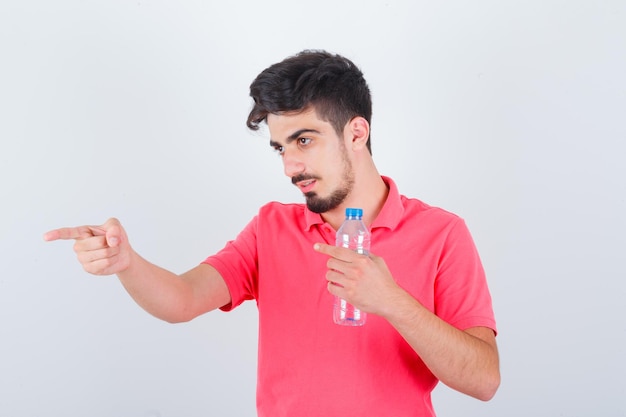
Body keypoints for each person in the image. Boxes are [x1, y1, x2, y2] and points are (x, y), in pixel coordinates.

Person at [44, 50, 500, 416]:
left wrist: (394, 303)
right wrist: (127, 263)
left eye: (304, 140)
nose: (289, 166)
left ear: (357, 133)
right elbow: (182, 299)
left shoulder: (442, 233)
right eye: (280, 148)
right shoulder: (271, 227)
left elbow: (483, 380)